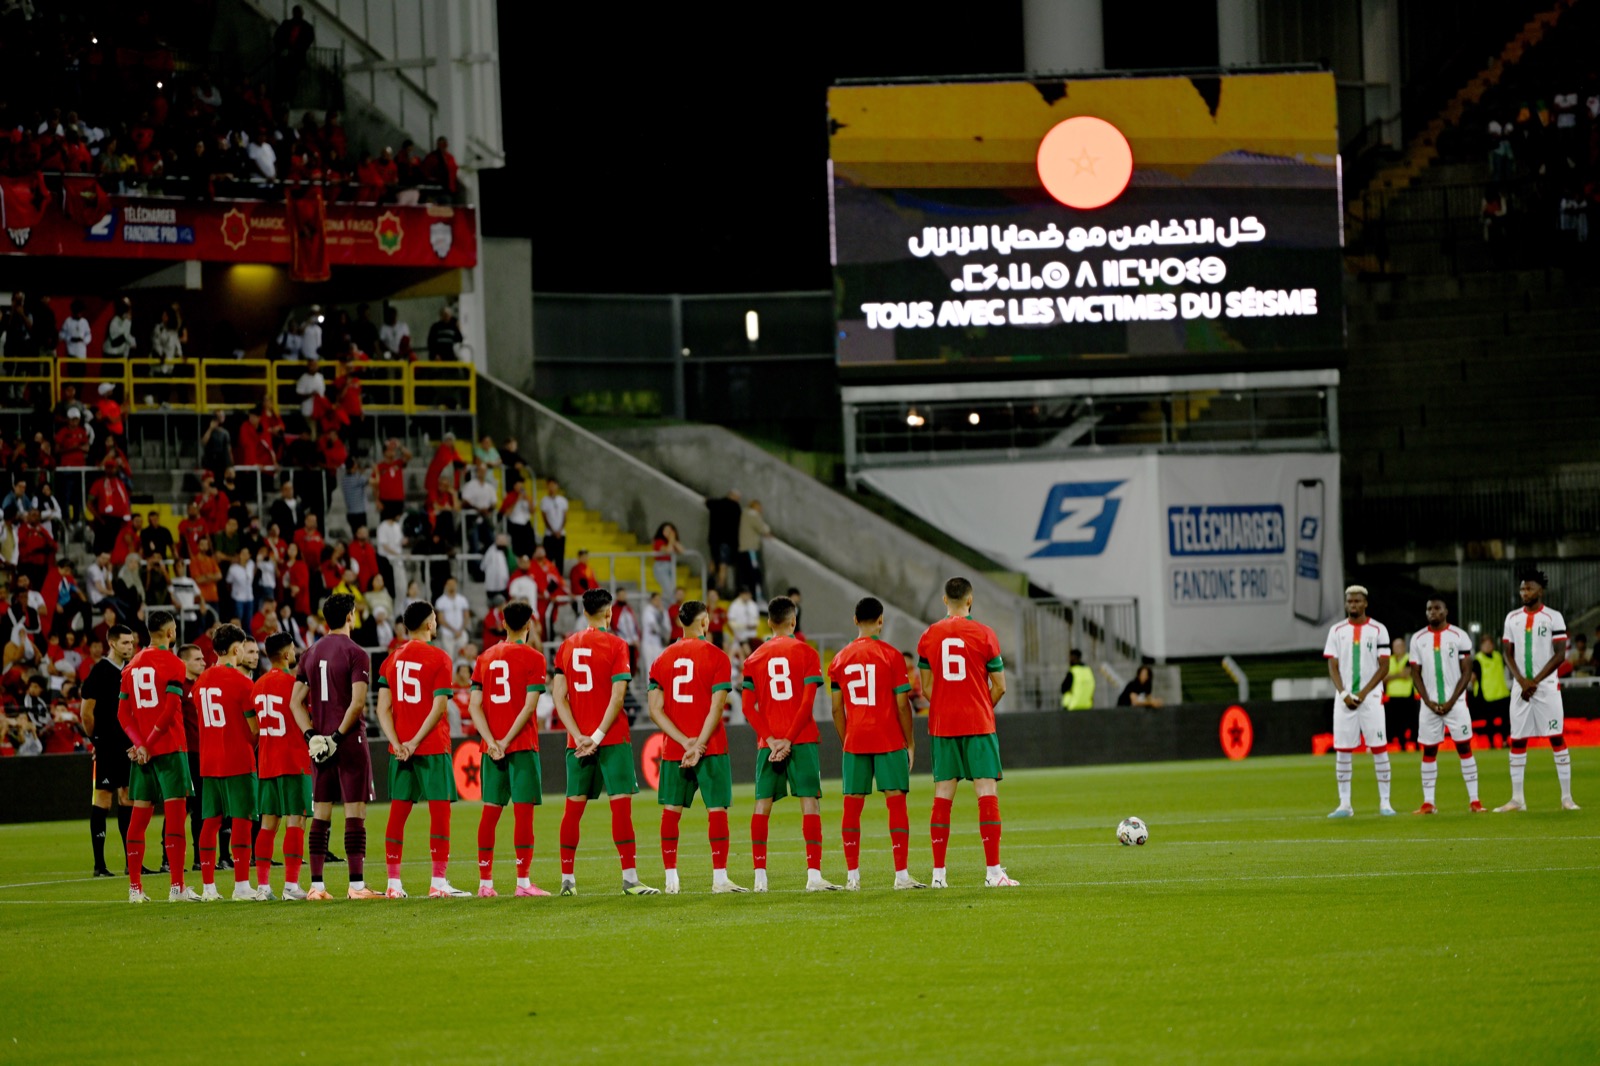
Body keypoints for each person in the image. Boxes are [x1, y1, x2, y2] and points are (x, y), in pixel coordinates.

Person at [550, 587, 658, 896]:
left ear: (584, 612)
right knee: (621, 809)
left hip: (578, 741)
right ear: (609, 613)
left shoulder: (566, 647)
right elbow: (618, 696)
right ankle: (630, 880)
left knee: (572, 811)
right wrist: (597, 737)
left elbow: (559, 696)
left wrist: (579, 735)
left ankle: (567, 881)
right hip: (610, 739)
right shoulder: (617, 645)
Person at [917, 576, 1017, 888]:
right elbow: (1000, 686)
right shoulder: (985, 634)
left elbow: (927, 687)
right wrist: (979, 706)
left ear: (944, 601)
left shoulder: (929, 636)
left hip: (943, 725)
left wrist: (948, 706)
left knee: (943, 796)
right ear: (970, 600)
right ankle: (993, 873)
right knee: (986, 792)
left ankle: (938, 876)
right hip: (978, 723)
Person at [288, 592, 380, 899]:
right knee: (355, 811)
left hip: (320, 745)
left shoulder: (309, 653)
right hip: (348, 741)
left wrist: (311, 736)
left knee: (321, 814)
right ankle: (356, 886)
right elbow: (356, 705)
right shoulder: (356, 652)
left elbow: (295, 703)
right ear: (351, 615)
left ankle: (317, 887)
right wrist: (336, 738)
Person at [647, 598, 743, 894]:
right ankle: (719, 879)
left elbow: (654, 709)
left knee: (671, 812)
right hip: (710, 746)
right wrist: (699, 745)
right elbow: (717, 708)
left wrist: (683, 741)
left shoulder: (661, 659)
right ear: (704, 623)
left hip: (676, 748)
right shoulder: (717, 657)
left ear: (680, 623)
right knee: (716, 810)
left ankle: (671, 879)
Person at [742, 595, 836, 892]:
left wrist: (772, 741)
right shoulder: (806, 653)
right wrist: (788, 740)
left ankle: (760, 879)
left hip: (767, 744)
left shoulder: (753, 659)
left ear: (769, 622)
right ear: (793, 621)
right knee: (810, 803)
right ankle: (813, 876)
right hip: (802, 739)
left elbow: (747, 708)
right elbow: (808, 703)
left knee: (762, 806)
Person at [375, 600, 468, 897]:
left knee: (398, 814)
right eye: (435, 619)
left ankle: (393, 884)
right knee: (440, 813)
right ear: (429, 624)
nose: (437, 623)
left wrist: (397, 743)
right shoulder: (440, 658)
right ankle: (438, 883)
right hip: (430, 746)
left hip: (400, 750)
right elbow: (440, 706)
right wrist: (414, 742)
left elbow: (382, 709)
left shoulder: (391, 659)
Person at [829, 596, 922, 891]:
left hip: (855, 740)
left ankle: (853, 877)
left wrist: (848, 741)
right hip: (888, 738)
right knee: (896, 804)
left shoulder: (839, 659)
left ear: (855, 620)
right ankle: (901, 876)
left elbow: (835, 708)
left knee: (851, 809)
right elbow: (902, 704)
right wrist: (909, 743)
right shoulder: (893, 656)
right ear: (881, 620)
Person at [465, 599, 549, 897]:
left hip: (492, 748)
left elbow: (475, 706)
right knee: (523, 814)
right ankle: (523, 883)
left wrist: (492, 740)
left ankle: (485, 884)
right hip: (521, 746)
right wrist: (507, 741)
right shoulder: (535, 658)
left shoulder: (484, 658)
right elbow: (529, 708)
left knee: (490, 813)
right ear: (529, 624)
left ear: (503, 624)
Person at [116, 611, 198, 902]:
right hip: (170, 750)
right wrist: (149, 743)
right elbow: (169, 709)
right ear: (171, 632)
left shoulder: (131, 665)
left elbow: (122, 714)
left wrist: (139, 745)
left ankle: (135, 889)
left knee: (138, 819)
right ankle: (177, 887)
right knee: (175, 820)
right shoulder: (174, 663)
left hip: (143, 756)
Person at [1497, 569, 1578, 812]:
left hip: (1546, 688)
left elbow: (1560, 654)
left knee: (1556, 737)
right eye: (1522, 589)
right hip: (1521, 689)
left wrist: (1535, 681)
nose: (1524, 593)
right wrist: (1521, 681)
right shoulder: (1512, 618)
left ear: (1540, 590)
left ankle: (1567, 797)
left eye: (1529, 588)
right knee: (1518, 740)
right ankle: (1517, 799)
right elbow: (1507, 653)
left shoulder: (1554, 617)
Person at [193, 624, 261, 902]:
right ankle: (241, 885)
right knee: (242, 821)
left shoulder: (201, 681)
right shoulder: (244, 682)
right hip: (238, 760)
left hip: (209, 761)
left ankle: (208, 887)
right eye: (244, 646)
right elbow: (254, 729)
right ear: (236, 649)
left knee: (210, 822)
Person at [1323, 585, 1394, 819]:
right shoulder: (1336, 631)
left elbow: (1384, 666)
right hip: (1344, 699)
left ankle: (1385, 803)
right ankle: (1345, 804)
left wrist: (1363, 693)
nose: (1352, 605)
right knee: (1343, 750)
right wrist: (1343, 693)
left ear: (1365, 603)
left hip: (1371, 698)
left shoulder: (1378, 629)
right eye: (1349, 602)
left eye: (1357, 601)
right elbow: (1332, 665)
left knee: (1379, 748)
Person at [1407, 598, 1482, 814]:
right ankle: (1428, 802)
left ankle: (1474, 801)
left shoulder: (1459, 636)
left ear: (1446, 611)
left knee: (1464, 747)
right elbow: (1415, 673)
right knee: (1429, 750)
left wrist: (1451, 701)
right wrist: (1428, 701)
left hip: (1456, 703)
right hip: (1429, 705)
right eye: (1429, 608)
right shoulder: (1418, 639)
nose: (1432, 612)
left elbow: (1466, 672)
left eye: (1437, 608)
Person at [252, 633, 311, 900]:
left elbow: (252, 728)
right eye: (293, 649)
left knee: (268, 824)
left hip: (266, 761)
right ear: (286, 654)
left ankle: (263, 886)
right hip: (294, 759)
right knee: (296, 820)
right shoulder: (294, 685)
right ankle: (291, 885)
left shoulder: (257, 685)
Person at [84, 625, 138, 877]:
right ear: (113, 644)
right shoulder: (99, 672)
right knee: (103, 799)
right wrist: (96, 739)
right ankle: (99, 865)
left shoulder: (131, 670)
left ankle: (131, 863)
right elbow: (86, 712)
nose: (130, 646)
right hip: (106, 746)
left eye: (132, 643)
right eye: (126, 643)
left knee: (127, 797)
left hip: (127, 745)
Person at [705, 490, 742, 592]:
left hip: (714, 539)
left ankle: (709, 582)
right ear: (734, 496)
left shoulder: (716, 503)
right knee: (723, 564)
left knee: (713, 560)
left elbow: (708, 502)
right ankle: (720, 587)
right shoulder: (736, 507)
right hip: (727, 541)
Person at [737, 502, 771, 600]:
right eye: (760, 507)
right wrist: (767, 531)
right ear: (754, 506)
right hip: (750, 550)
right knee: (755, 575)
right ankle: (757, 597)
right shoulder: (751, 514)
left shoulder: (744, 514)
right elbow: (763, 528)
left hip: (743, 550)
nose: (761, 510)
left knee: (746, 576)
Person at [434, 577, 472, 658]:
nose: (452, 586)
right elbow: (441, 620)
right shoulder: (441, 601)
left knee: (462, 656)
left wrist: (460, 630)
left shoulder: (462, 600)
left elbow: (466, 616)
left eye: (453, 584)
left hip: (460, 633)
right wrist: (454, 631)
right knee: (449, 657)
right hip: (447, 634)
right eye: (449, 584)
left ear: (456, 585)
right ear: (446, 586)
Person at [1384, 635, 1417, 728]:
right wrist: (1398, 674)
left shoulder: (1410, 658)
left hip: (1407, 696)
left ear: (1404, 647)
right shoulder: (1389, 660)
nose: (1397, 648)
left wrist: (1391, 675)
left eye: (1399, 646)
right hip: (1392, 696)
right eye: (1395, 646)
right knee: (1393, 723)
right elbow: (1383, 678)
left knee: (1408, 722)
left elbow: (1406, 674)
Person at [539, 478, 568, 573]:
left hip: (561, 534)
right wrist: (553, 531)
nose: (552, 488)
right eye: (550, 485)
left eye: (553, 485)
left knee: (560, 559)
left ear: (557, 486)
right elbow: (545, 518)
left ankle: (560, 581)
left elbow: (564, 517)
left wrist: (560, 530)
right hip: (549, 534)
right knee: (548, 559)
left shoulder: (563, 500)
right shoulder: (544, 501)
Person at [650, 522, 682, 598]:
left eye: (670, 531)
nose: (668, 533)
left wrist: (673, 540)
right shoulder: (658, 542)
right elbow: (668, 550)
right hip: (661, 566)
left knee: (672, 588)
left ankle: (668, 605)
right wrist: (671, 540)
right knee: (668, 589)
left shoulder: (671, 542)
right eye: (666, 530)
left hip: (670, 565)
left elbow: (681, 550)